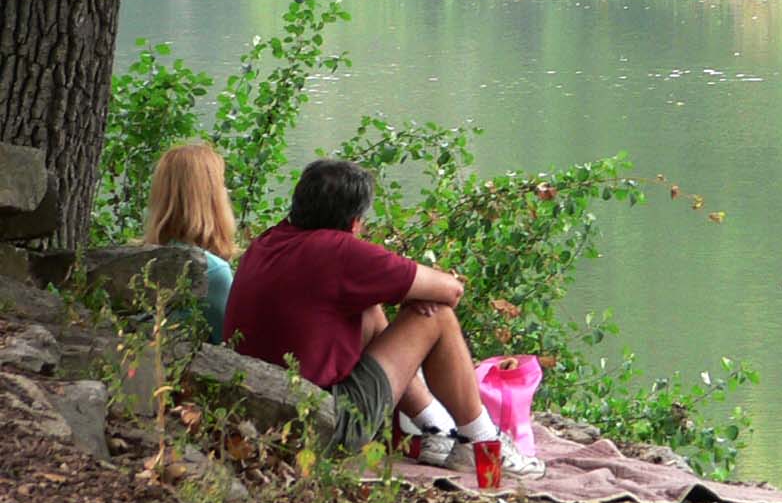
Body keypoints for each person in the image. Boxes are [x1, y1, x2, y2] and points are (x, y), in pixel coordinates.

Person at [223, 157, 541, 474]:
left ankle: (438, 431)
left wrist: (408, 292)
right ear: (355, 221)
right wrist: (418, 295)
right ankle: (482, 445)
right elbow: (451, 291)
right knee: (437, 317)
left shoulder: (270, 240)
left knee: (368, 310)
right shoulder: (338, 251)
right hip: (322, 424)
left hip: (259, 413)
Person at [144, 143, 236, 344]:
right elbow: (235, 345)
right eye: (221, 184)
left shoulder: (138, 258)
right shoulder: (212, 271)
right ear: (210, 198)